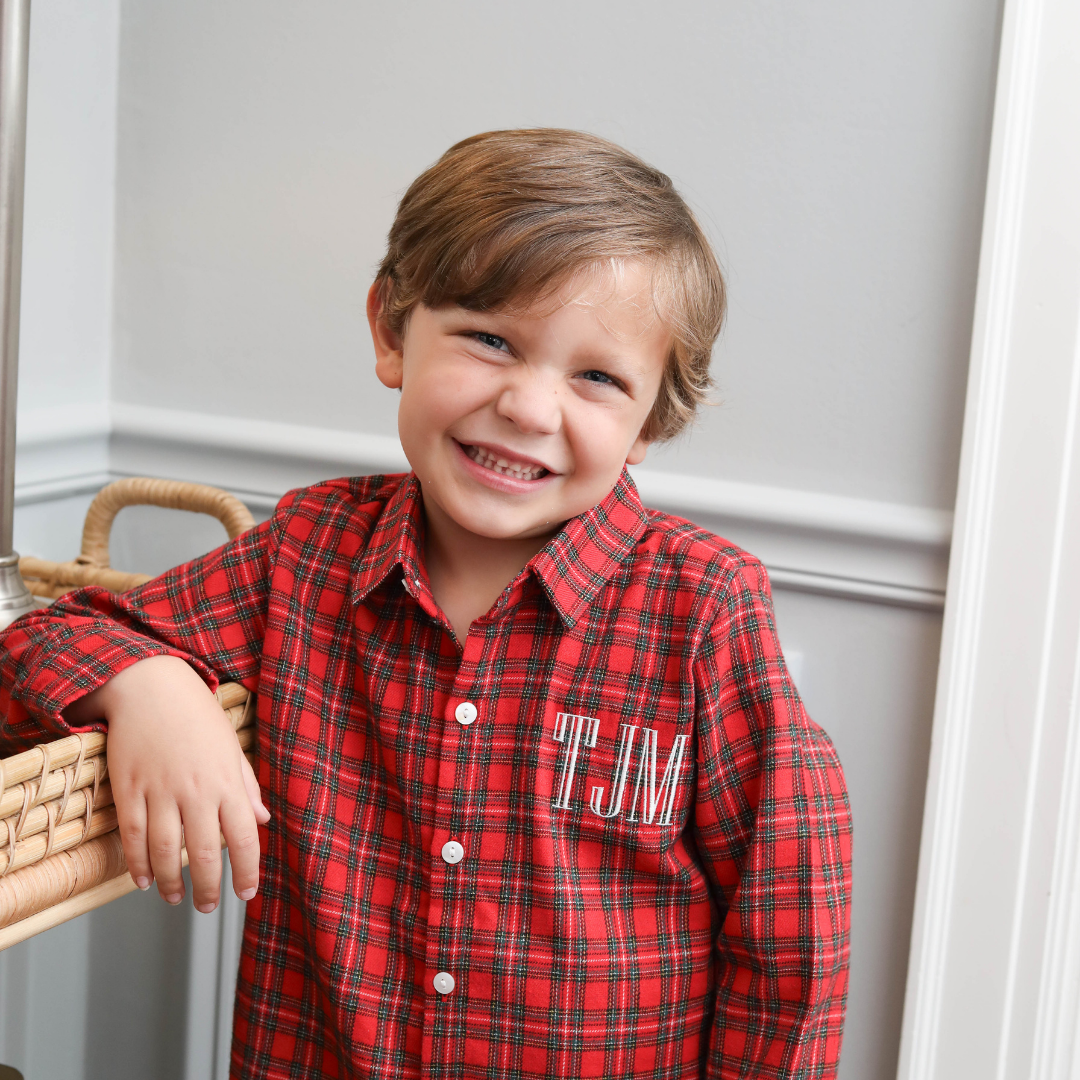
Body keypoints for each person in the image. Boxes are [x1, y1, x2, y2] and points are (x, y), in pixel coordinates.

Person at [0, 129, 851, 1079]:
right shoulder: (307, 552)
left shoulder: (705, 607)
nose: (529, 408)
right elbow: (52, 634)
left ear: (648, 420)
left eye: (597, 378)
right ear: (391, 330)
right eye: (490, 340)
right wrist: (149, 682)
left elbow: (790, 929)